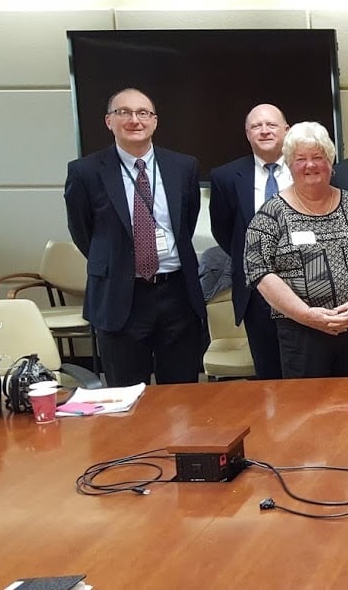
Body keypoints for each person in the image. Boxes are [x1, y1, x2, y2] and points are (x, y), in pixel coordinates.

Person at [64, 87, 206, 386]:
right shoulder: (85, 172)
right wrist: (121, 261)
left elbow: (186, 224)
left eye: (143, 113)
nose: (134, 120)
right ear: (108, 121)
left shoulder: (183, 167)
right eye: (123, 112)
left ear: (154, 121)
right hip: (119, 296)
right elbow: (82, 231)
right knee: (125, 397)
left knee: (182, 395)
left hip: (177, 294)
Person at [244, 122, 348, 378]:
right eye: (301, 159)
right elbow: (258, 270)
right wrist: (307, 315)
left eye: (318, 157)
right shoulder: (271, 214)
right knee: (307, 409)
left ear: (331, 162)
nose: (310, 165)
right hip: (301, 333)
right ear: (290, 165)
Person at [208, 103, 291, 380]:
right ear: (247, 133)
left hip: (306, 286)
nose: (264, 131)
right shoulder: (226, 176)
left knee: (308, 374)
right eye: (257, 126)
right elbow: (224, 232)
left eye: (271, 125)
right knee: (269, 374)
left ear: (286, 131)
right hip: (257, 292)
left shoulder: (307, 167)